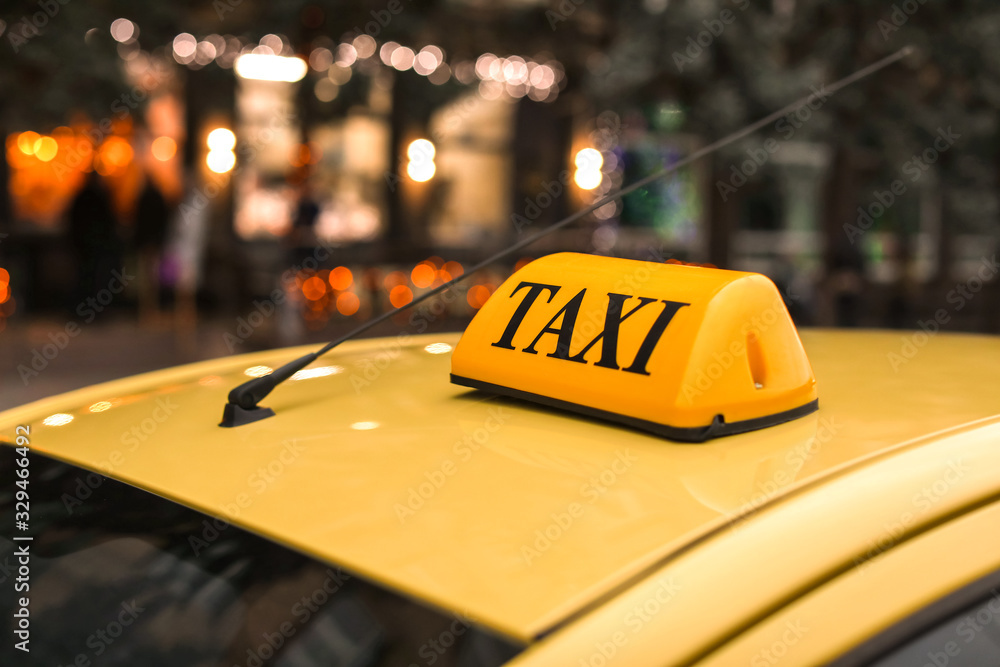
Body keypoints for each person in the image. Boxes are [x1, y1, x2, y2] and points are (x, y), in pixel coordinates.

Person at [68, 170, 121, 310]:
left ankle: (85, 307)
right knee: (96, 278)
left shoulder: (84, 196)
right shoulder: (98, 196)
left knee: (87, 277)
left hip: (86, 246)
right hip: (94, 246)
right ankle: (93, 308)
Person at [132, 173, 171, 326]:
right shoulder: (157, 197)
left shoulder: (146, 197)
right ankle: (150, 310)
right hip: (153, 242)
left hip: (148, 243)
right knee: (151, 278)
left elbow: (140, 220)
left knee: (148, 278)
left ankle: (148, 311)